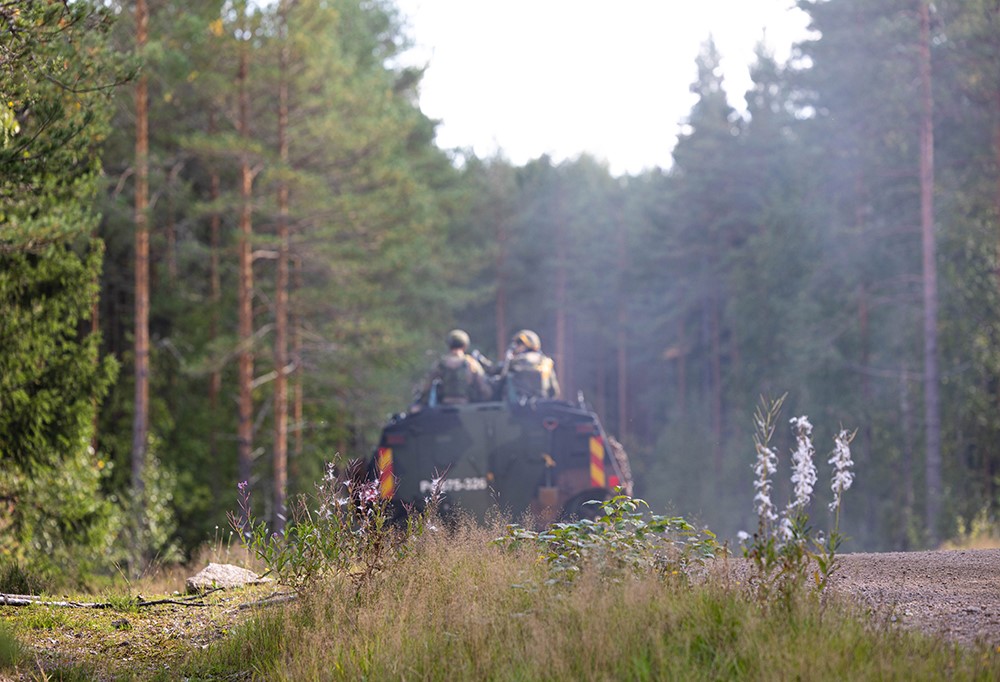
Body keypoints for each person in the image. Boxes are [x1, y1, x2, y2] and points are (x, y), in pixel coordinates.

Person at [417, 329, 491, 406]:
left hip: (445, 407)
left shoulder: (441, 364)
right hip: (466, 407)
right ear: (465, 346)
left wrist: (421, 403)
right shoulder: (471, 363)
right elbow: (483, 389)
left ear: (449, 345)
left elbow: (426, 386)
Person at [502, 329, 561, 401]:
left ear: (529, 344)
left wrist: (508, 359)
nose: (516, 346)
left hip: (520, 407)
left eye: (519, 343)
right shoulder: (546, 362)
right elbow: (554, 391)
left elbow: (503, 377)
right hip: (542, 405)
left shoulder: (518, 360)